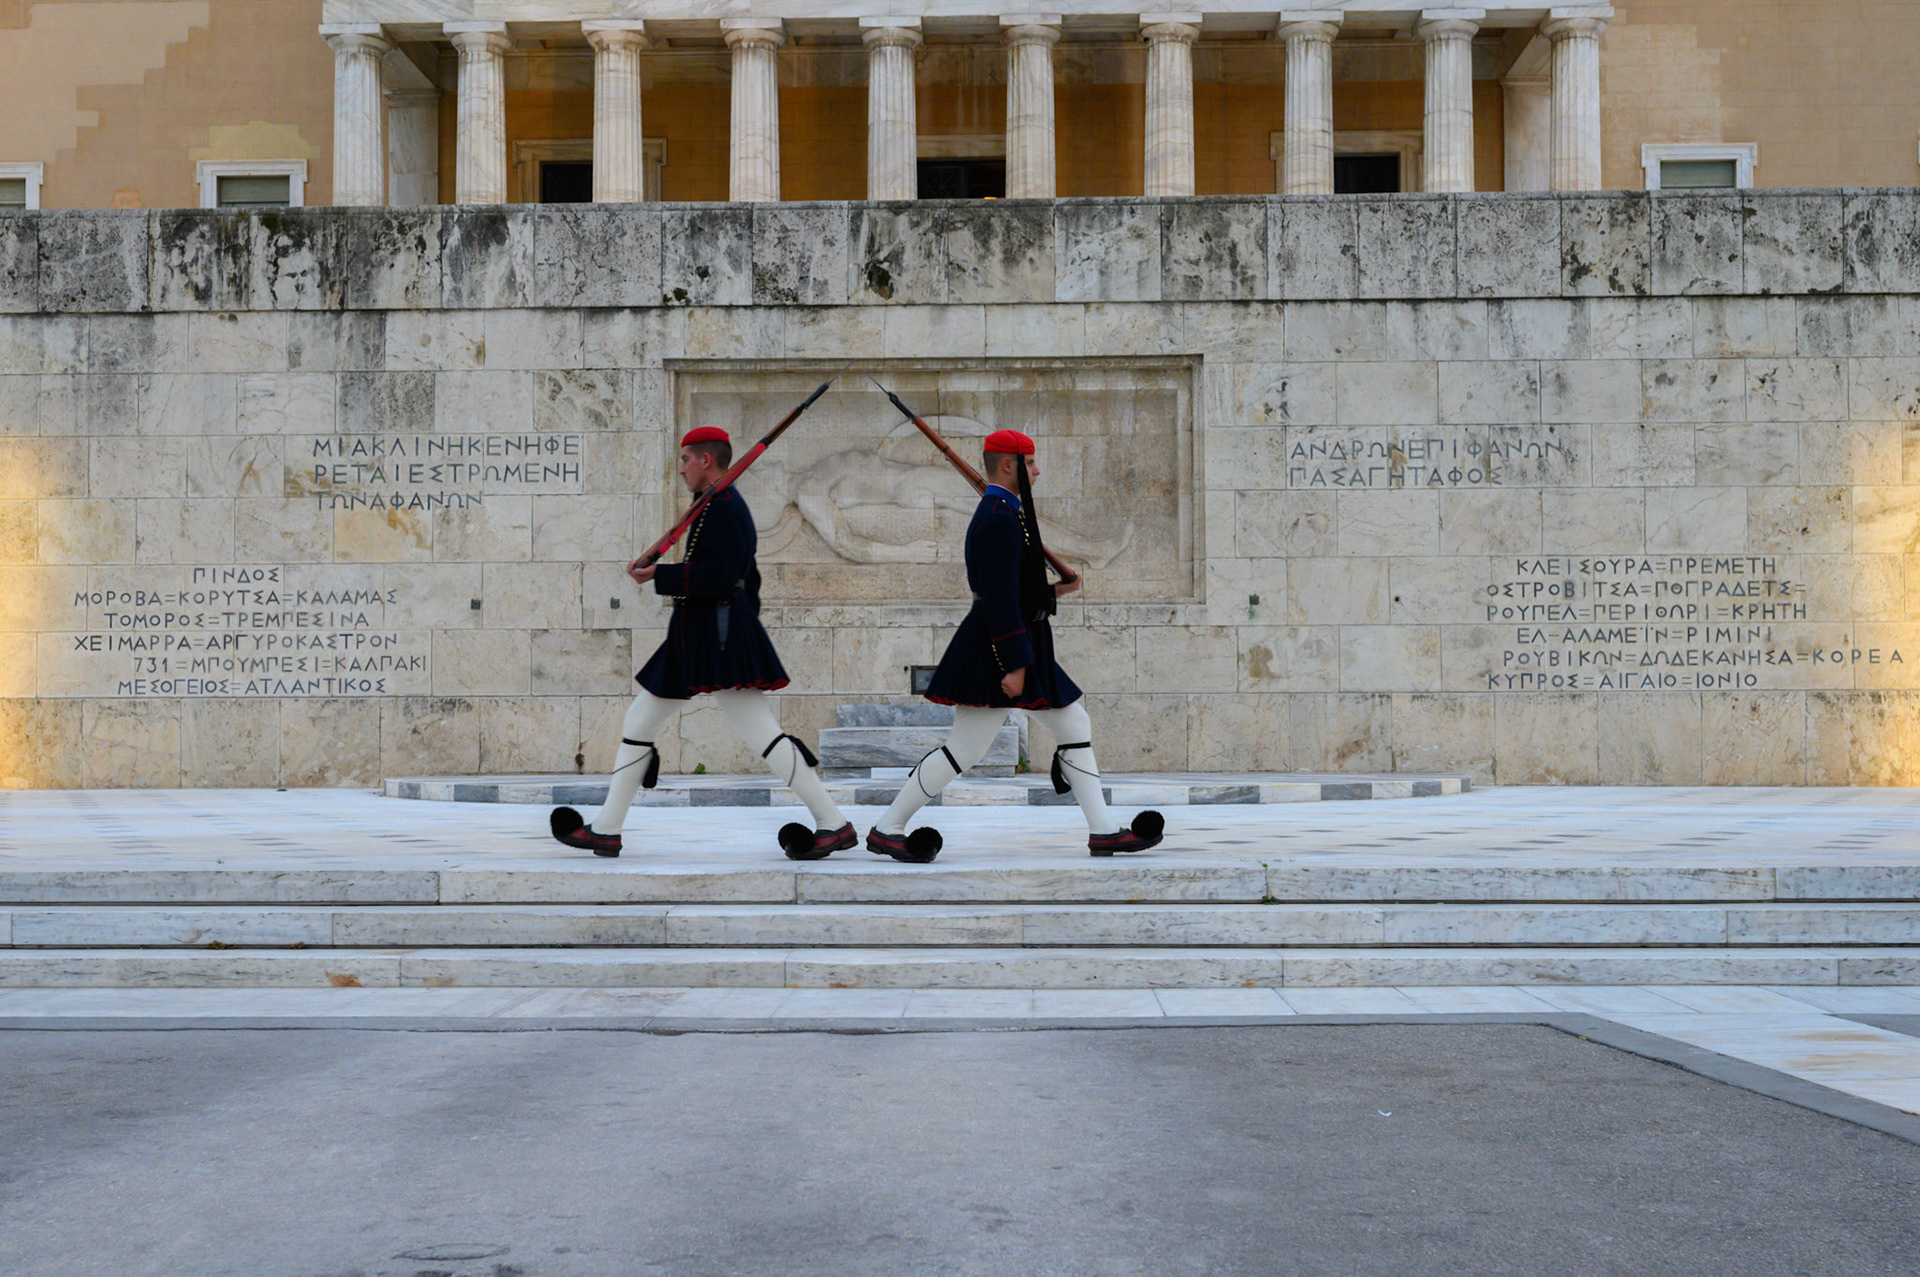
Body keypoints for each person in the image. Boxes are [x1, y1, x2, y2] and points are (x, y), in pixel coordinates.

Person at [550, 426, 855, 860]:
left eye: (685, 460)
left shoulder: (726, 508)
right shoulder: (713, 505)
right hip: (700, 634)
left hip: (716, 638)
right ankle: (606, 829)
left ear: (705, 461)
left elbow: (720, 575)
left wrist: (660, 574)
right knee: (640, 723)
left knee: (762, 735)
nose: (681, 469)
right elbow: (749, 579)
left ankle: (833, 823)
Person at [865, 429, 1164, 863]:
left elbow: (1016, 592)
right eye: (1031, 463)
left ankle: (1103, 831)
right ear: (1009, 465)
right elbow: (999, 599)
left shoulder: (1008, 513)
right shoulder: (997, 517)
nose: (1037, 471)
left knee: (1074, 727)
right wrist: (1015, 663)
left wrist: (1058, 592)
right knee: (965, 749)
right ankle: (888, 828)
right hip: (1000, 647)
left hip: (1018, 639)